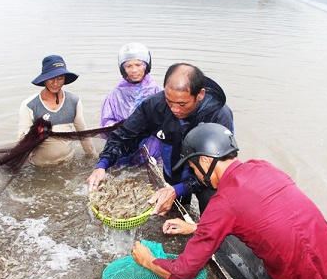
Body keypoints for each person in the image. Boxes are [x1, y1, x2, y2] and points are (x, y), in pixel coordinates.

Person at [131, 123, 327, 279]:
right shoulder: (263, 167)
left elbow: (180, 273)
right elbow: (263, 219)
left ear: (206, 161)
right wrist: (196, 227)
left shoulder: (224, 202)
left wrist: (147, 260)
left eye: (194, 168)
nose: (195, 174)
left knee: (221, 252)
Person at [87, 63, 234, 213]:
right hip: (173, 172)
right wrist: (102, 165)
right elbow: (124, 137)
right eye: (169, 101)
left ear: (200, 95)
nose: (175, 109)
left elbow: (223, 164)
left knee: (211, 213)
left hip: (207, 179)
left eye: (182, 104)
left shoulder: (219, 115)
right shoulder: (154, 106)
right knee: (174, 211)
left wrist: (180, 189)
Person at [18, 55, 98, 166]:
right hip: (39, 166)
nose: (55, 83)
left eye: (60, 78)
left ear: (65, 78)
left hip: (68, 162)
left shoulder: (74, 101)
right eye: (51, 78)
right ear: (44, 79)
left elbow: (83, 133)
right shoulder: (29, 105)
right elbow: (21, 141)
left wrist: (94, 157)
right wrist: (35, 133)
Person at [100, 42, 163, 166]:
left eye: (138, 65)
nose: (134, 70)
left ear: (146, 65)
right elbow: (105, 123)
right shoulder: (115, 93)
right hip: (124, 145)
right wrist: (119, 125)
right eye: (129, 66)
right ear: (123, 68)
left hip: (152, 148)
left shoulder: (157, 91)